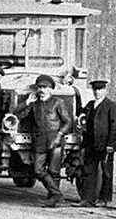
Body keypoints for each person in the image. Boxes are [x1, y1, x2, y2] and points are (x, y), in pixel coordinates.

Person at [11, 74, 75, 208]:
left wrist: (59, 135)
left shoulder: (58, 102)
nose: (42, 90)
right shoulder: (34, 104)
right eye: (40, 87)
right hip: (39, 141)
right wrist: (27, 102)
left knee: (54, 171)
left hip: (55, 140)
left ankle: (52, 198)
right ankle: (57, 194)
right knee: (38, 170)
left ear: (51, 89)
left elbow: (67, 122)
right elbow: (17, 113)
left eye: (45, 87)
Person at [75, 79, 116, 208]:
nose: (97, 92)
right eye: (95, 90)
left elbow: (114, 126)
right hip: (90, 144)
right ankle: (87, 199)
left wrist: (110, 144)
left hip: (105, 145)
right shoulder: (90, 105)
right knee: (88, 171)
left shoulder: (110, 106)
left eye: (100, 90)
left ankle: (104, 199)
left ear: (105, 91)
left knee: (106, 172)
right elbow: (79, 112)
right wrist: (77, 96)